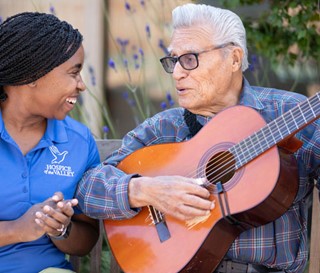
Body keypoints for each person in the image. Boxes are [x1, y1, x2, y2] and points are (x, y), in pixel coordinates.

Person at [76, 3, 319, 273]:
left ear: (234, 59)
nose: (178, 73)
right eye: (173, 60)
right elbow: (89, 188)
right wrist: (148, 191)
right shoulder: (165, 128)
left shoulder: (290, 113)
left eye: (190, 59)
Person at [0, 12, 101, 273]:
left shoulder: (79, 143)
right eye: (73, 73)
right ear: (33, 74)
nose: (81, 86)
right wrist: (17, 229)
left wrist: (61, 229)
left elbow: (86, 239)